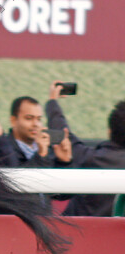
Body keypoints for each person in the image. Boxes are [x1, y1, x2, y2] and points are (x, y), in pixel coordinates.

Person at [46, 82, 125, 216]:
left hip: (76, 234)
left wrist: (52, 102)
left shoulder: (87, 158)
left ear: (109, 131)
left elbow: (63, 136)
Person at [0, 95, 71, 212]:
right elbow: (18, 189)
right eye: (29, 118)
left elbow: (61, 195)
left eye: (39, 119)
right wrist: (41, 156)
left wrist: (64, 162)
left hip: (42, 225)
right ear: (13, 120)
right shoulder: (2, 149)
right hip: (12, 225)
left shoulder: (45, 150)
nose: (36, 124)